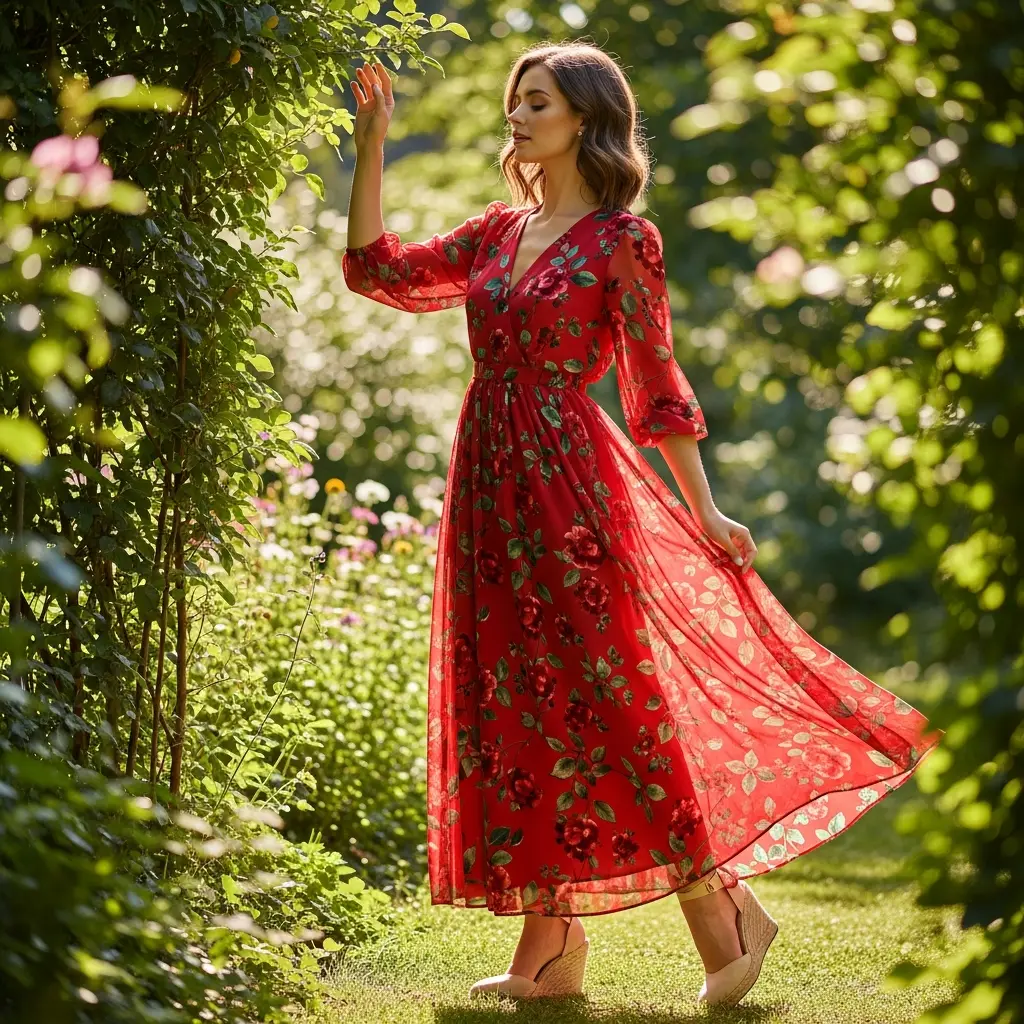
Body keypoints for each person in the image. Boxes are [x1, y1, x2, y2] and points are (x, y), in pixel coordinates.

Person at [342, 39, 942, 1007]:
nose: (518, 116)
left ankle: (726, 914)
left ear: (583, 115)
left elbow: (652, 383)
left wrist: (704, 508)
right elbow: (376, 271)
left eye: (535, 101)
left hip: (571, 490)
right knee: (520, 705)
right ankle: (549, 950)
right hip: (488, 493)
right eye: (514, 104)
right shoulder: (496, 232)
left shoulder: (623, 240)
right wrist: (374, 142)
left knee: (614, 702)